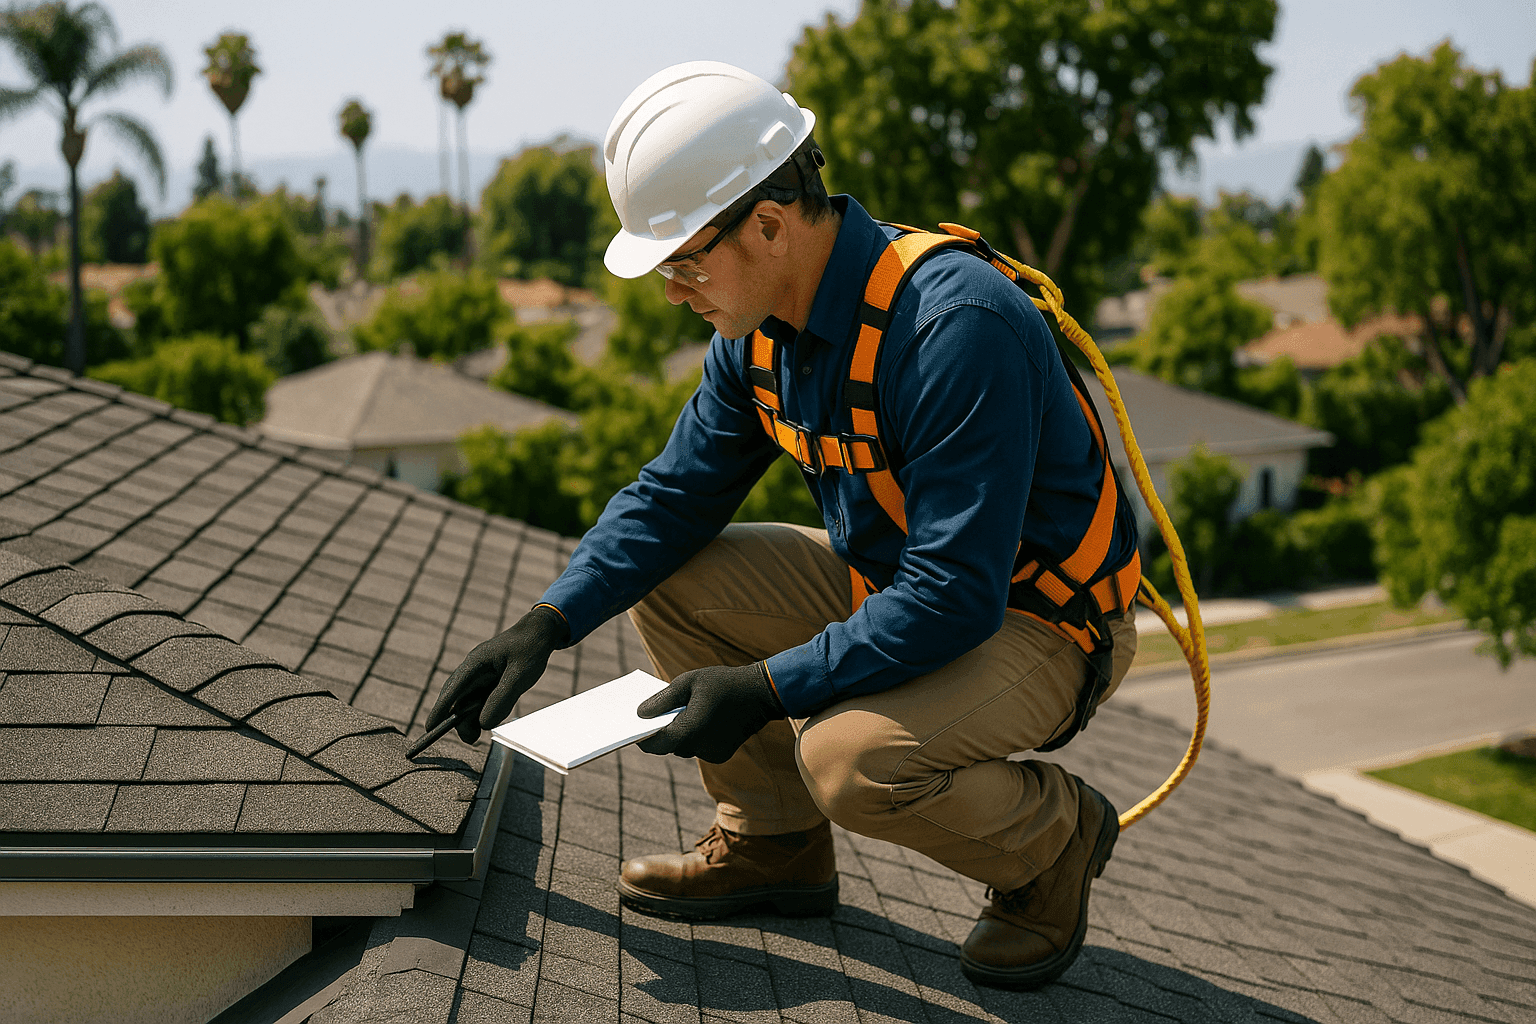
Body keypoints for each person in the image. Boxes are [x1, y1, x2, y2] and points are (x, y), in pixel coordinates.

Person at [426, 60, 1142, 991]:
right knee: (676, 571)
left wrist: (766, 687)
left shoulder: (952, 326)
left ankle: (1054, 843)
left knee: (847, 762)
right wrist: (547, 621)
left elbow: (956, 597)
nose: (675, 290)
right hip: (909, 590)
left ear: (768, 223)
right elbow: (670, 497)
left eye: (684, 259)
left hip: (1042, 621)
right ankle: (774, 847)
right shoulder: (757, 332)